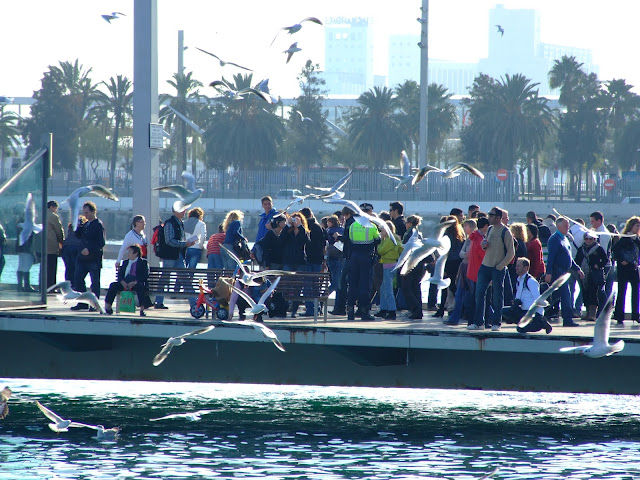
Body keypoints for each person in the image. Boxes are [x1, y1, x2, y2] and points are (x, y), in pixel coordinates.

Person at [468, 206, 515, 331]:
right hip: (485, 266)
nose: (489, 217)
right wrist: (484, 245)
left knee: (497, 296)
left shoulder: (506, 232)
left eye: (491, 215)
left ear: (498, 217)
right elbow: (487, 245)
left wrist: (500, 266)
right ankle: (478, 323)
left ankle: (496, 323)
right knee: (479, 294)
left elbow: (511, 253)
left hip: (497, 268)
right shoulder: (489, 229)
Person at [544, 217, 583, 327]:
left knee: (555, 296)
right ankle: (567, 319)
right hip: (557, 272)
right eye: (566, 226)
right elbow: (551, 257)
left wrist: (577, 269)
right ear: (559, 226)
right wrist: (549, 272)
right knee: (566, 294)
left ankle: (538, 313)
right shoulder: (554, 239)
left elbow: (569, 258)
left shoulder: (565, 239)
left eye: (568, 226)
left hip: (565, 271)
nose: (568, 228)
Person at [154, 207, 195, 309]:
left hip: (177, 255)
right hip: (170, 256)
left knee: (182, 279)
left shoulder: (179, 223)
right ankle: (158, 302)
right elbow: (169, 241)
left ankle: (194, 303)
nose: (184, 212)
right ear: (176, 211)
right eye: (182, 210)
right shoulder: (170, 223)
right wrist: (185, 244)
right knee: (166, 278)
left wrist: (185, 244)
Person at [501, 257, 553, 334]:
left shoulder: (531, 281)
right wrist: (515, 303)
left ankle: (542, 323)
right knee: (504, 311)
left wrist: (538, 315)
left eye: (519, 266)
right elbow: (518, 298)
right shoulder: (519, 280)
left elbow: (538, 300)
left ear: (526, 268)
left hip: (533, 314)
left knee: (520, 329)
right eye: (516, 266)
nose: (516, 268)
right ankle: (523, 323)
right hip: (523, 311)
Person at [347, 205, 380, 320]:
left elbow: (350, 240)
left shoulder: (352, 225)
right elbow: (378, 239)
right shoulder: (372, 226)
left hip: (354, 257)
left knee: (353, 284)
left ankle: (350, 310)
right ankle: (364, 311)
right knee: (365, 285)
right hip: (366, 257)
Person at [72, 202, 106, 311]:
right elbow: (78, 236)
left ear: (93, 211)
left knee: (94, 282)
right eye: (84, 213)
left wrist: (90, 249)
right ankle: (82, 302)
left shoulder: (98, 224)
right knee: (78, 279)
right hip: (82, 258)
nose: (85, 215)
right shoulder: (86, 224)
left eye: (87, 213)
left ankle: (94, 304)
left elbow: (101, 242)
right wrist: (78, 226)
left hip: (93, 259)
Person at [104, 244, 153, 316]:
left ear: (135, 253)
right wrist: (122, 282)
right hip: (125, 283)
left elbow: (145, 275)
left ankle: (142, 309)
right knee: (113, 285)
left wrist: (135, 282)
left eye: (130, 251)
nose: (128, 253)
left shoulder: (143, 262)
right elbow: (120, 275)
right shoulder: (126, 262)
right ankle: (108, 307)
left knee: (141, 287)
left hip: (136, 283)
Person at [281, 212, 310, 318]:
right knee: (286, 285)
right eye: (293, 220)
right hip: (288, 261)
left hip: (300, 261)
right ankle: (284, 308)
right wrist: (288, 225)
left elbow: (307, 241)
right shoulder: (288, 231)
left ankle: (294, 310)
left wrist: (300, 227)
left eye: (297, 220)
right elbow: (281, 241)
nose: (294, 222)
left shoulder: (303, 231)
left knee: (298, 286)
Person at [434, 216, 465, 318]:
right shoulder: (460, 235)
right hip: (457, 263)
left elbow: (445, 251)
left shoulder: (447, 235)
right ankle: (460, 308)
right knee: (455, 287)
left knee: (445, 287)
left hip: (448, 263)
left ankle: (442, 309)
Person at [612, 216, 640, 324]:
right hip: (623, 268)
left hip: (633, 267)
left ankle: (636, 315)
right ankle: (619, 315)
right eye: (637, 225)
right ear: (631, 226)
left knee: (636, 291)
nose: (638, 228)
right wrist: (621, 260)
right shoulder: (624, 238)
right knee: (622, 291)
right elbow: (615, 250)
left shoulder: (636, 239)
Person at [329, 206, 356, 316]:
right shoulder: (355, 222)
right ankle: (345, 307)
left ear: (347, 214)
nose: (343, 219)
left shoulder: (350, 223)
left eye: (344, 216)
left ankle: (340, 308)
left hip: (346, 257)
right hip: (349, 256)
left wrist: (339, 237)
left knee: (341, 284)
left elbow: (348, 238)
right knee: (344, 283)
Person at [300, 207, 326, 317]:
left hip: (308, 260)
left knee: (307, 285)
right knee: (316, 286)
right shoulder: (319, 227)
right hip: (318, 259)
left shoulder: (306, 228)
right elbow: (323, 244)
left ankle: (310, 309)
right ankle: (317, 308)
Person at [400, 215, 426, 320]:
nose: (405, 225)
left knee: (406, 287)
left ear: (410, 223)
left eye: (406, 223)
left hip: (411, 264)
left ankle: (415, 309)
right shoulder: (418, 233)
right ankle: (418, 311)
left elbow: (406, 250)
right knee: (415, 287)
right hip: (419, 264)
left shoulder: (409, 234)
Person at [375, 220, 402, 319]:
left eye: (382, 230)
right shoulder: (394, 238)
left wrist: (381, 241)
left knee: (388, 289)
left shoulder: (389, 239)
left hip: (388, 265)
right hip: (390, 264)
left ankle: (391, 310)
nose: (381, 233)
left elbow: (381, 250)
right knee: (383, 288)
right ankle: (384, 309)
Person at [590, 211, 613, 298]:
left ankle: (603, 309)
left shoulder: (603, 234)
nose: (591, 224)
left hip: (602, 265)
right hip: (603, 264)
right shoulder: (598, 232)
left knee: (600, 289)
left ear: (599, 221)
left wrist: (598, 265)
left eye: (593, 221)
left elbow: (602, 252)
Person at [61, 216, 85, 288]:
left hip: (67, 248)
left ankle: (68, 286)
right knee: (76, 268)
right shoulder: (82, 226)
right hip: (77, 248)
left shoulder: (70, 227)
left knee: (68, 268)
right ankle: (75, 286)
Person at [46, 200, 65, 289]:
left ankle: (43, 286)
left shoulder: (40, 215)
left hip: (42, 247)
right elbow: (59, 231)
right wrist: (62, 241)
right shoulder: (53, 216)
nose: (56, 210)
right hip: (51, 246)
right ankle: (51, 287)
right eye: (55, 208)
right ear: (52, 207)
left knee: (44, 269)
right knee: (51, 268)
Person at [325, 215, 344, 297]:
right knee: (338, 283)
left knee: (335, 283)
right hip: (340, 257)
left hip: (332, 257)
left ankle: (322, 297)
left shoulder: (328, 231)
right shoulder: (342, 230)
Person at [16, 222, 37, 293]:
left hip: (20, 248)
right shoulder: (29, 224)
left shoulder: (21, 224)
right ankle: (26, 286)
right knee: (27, 267)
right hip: (27, 249)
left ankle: (19, 286)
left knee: (21, 266)